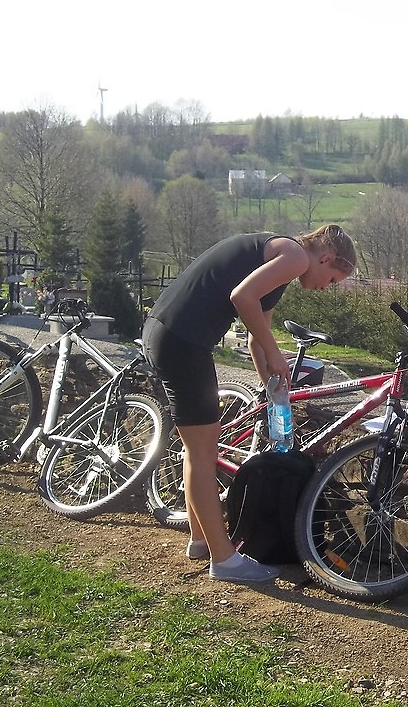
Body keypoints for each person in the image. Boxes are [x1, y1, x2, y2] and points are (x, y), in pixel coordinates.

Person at [142, 225, 356, 585]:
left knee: (199, 450)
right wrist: (276, 353)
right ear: (327, 258)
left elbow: (258, 338)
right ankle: (225, 560)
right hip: (182, 340)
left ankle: (201, 539)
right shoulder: (294, 256)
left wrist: (271, 387)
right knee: (202, 453)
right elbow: (242, 297)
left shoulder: (278, 258)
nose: (326, 287)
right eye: (332, 280)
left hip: (169, 333)